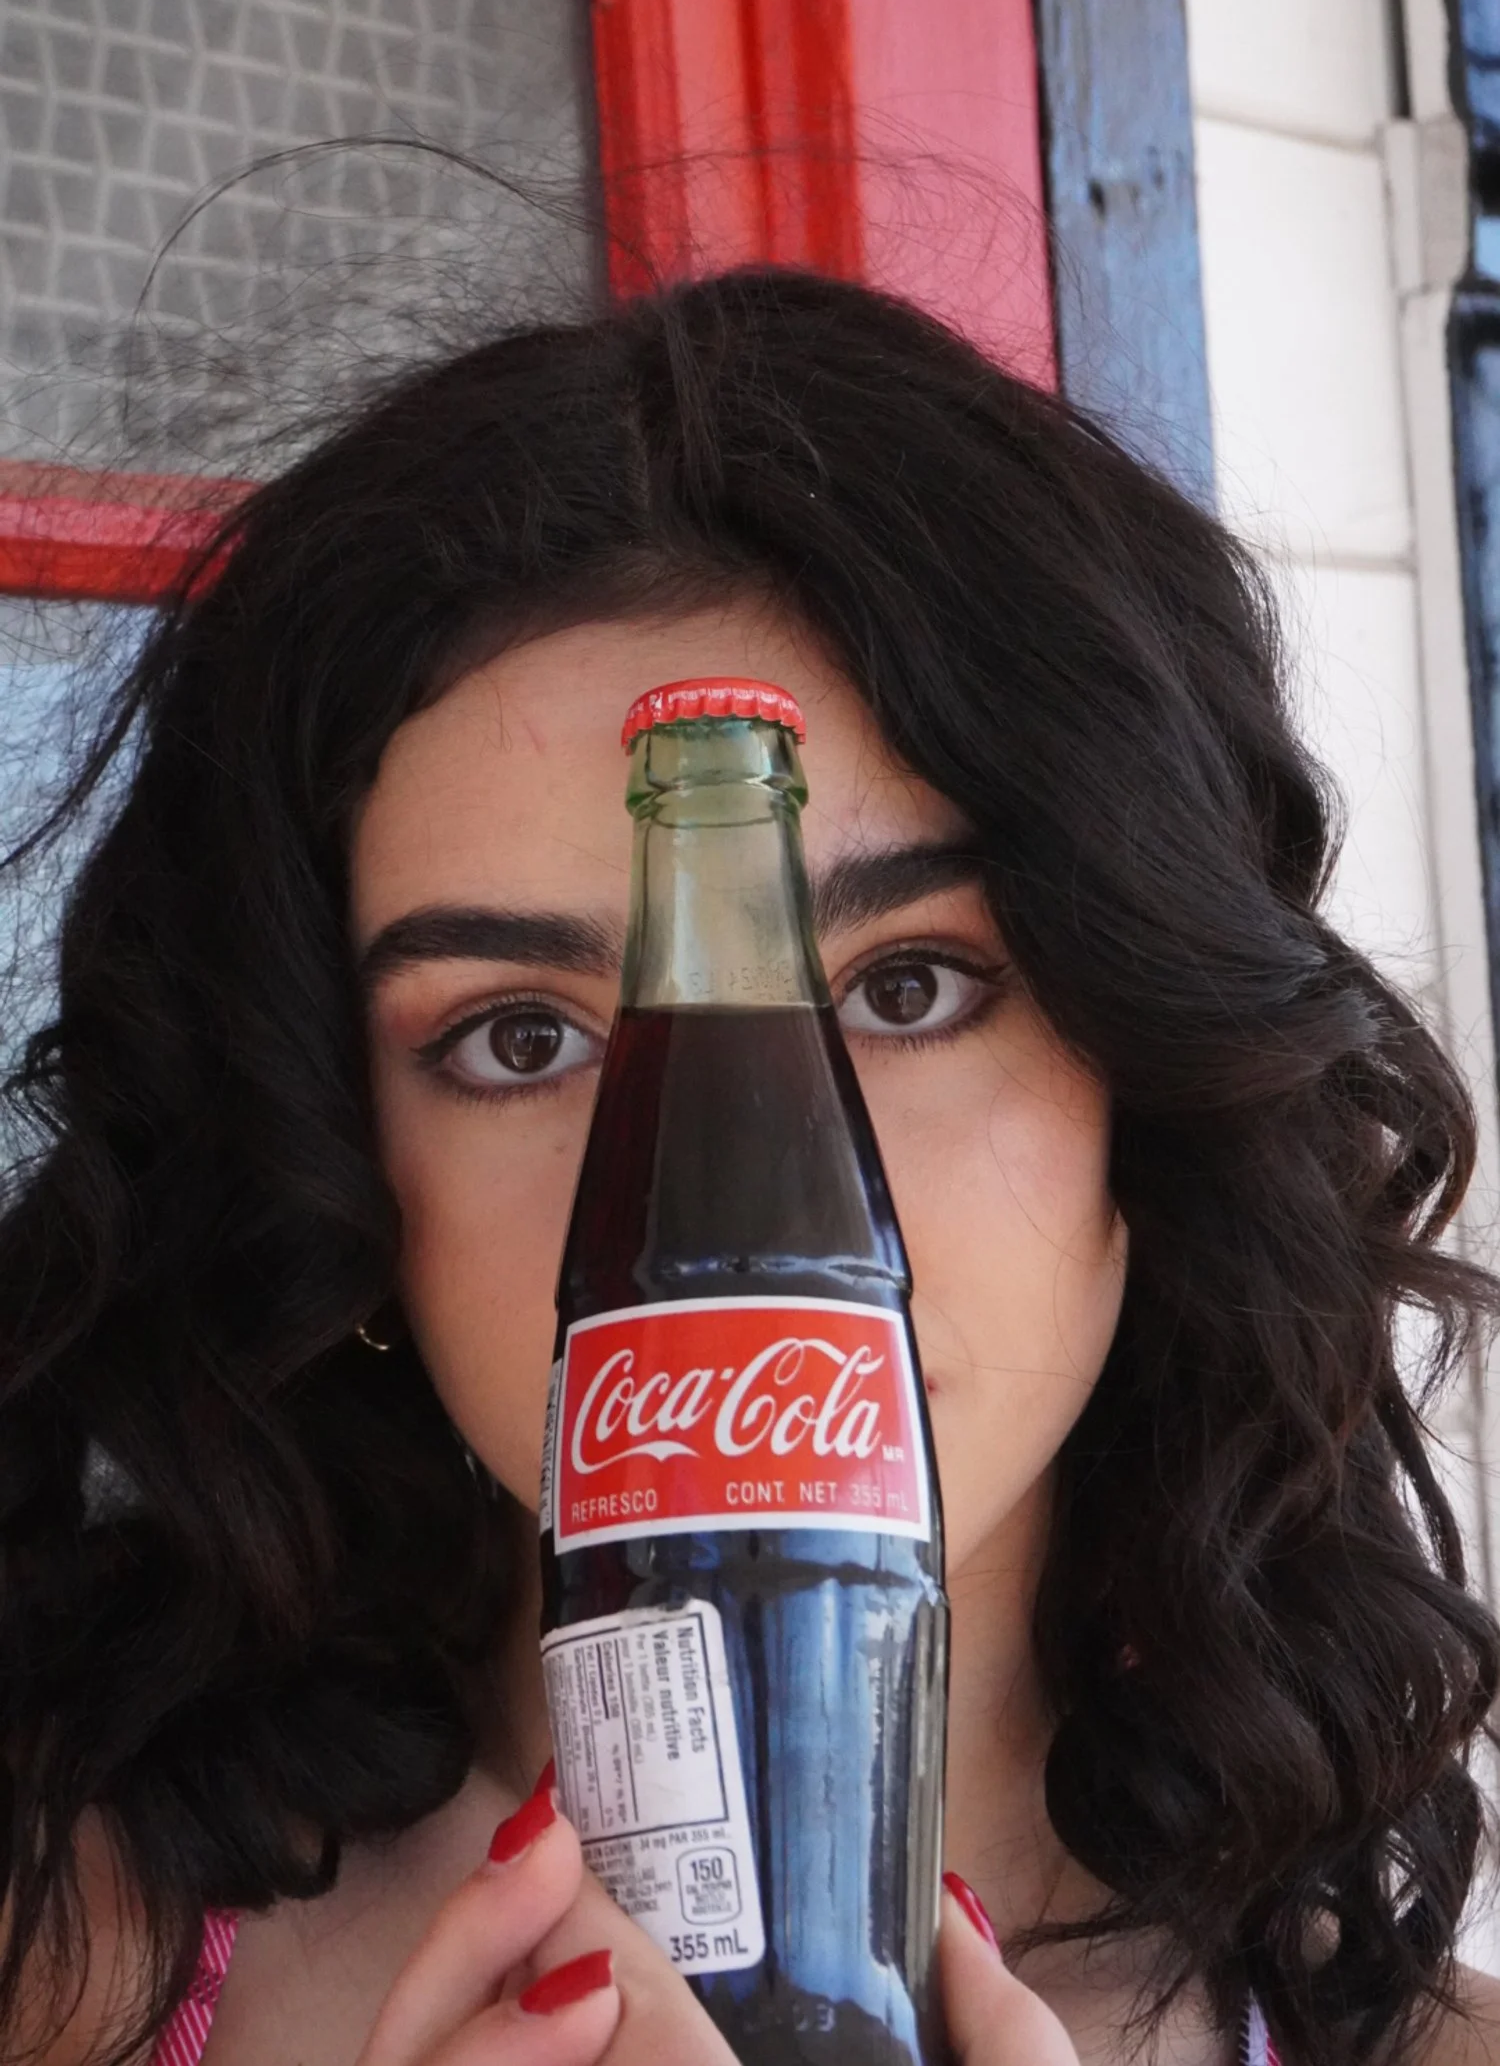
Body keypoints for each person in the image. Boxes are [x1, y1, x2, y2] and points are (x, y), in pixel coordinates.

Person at [3, 266, 1499, 2066]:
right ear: (336, 1167)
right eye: (517, 1038)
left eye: (909, 986)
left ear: (1151, 1087)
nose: (737, 1203)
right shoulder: (62, 1963)